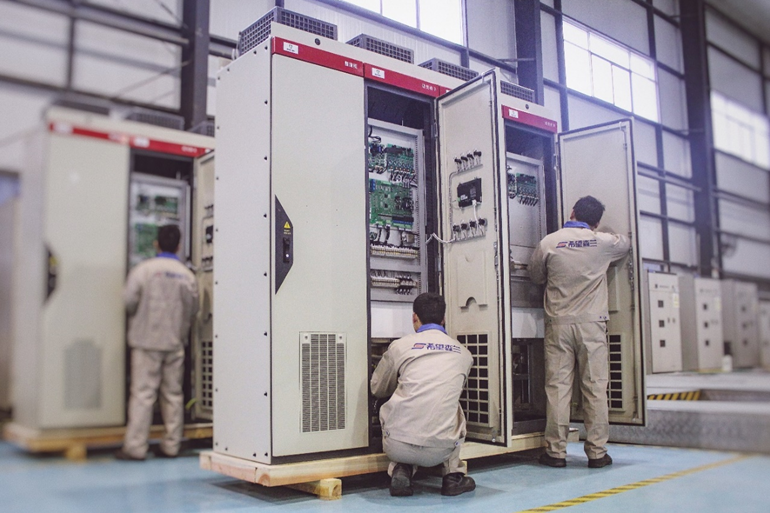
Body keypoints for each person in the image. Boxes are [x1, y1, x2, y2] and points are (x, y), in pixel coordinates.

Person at [528, 196, 630, 469]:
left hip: (558, 324)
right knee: (595, 388)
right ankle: (597, 453)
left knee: (558, 389)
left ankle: (555, 453)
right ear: (595, 223)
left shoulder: (549, 242)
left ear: (572, 212)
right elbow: (626, 243)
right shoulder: (603, 243)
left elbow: (535, 275)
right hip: (591, 325)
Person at [371, 292, 476, 497]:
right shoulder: (464, 354)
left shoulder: (400, 346)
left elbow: (378, 389)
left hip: (396, 445)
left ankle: (401, 468)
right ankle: (453, 476)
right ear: (443, 319)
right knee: (450, 403)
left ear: (414, 317)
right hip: (441, 449)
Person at [115, 224, 199, 461]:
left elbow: (129, 302)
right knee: (173, 394)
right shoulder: (187, 276)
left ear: (156, 244)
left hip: (147, 342)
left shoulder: (144, 270)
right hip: (175, 343)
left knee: (143, 395)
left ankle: (135, 447)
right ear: (179, 246)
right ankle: (171, 446)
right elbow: (194, 309)